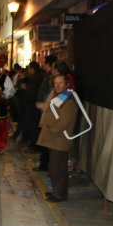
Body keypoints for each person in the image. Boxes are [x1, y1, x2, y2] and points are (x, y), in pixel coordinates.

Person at [36, 74, 79, 202]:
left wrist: (52, 130)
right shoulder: (61, 97)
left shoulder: (69, 100)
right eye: (55, 83)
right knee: (55, 167)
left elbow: (65, 121)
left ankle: (60, 194)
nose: (57, 85)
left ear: (67, 84)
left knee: (58, 168)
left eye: (60, 83)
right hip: (54, 138)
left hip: (59, 138)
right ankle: (57, 191)